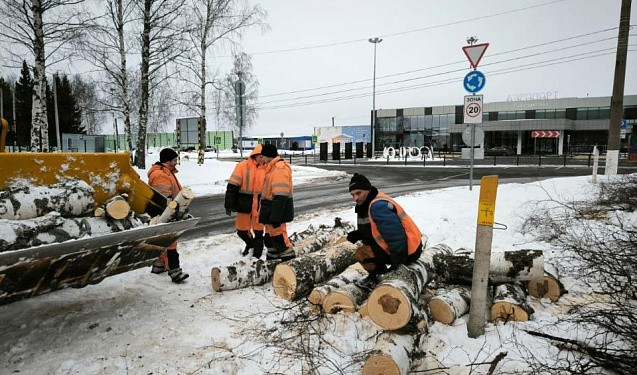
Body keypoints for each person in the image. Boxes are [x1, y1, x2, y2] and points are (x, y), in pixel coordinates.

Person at [346, 173, 423, 290]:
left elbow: (396, 237)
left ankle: (380, 277)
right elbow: (375, 229)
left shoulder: (377, 206)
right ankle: (378, 275)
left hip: (408, 250)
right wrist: (359, 234)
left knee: (362, 253)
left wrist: (397, 266)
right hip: (408, 246)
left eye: (358, 193)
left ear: (367, 190)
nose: (355, 198)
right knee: (367, 247)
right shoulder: (366, 204)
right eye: (353, 195)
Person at [147, 147, 189, 283]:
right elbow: (164, 197)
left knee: (163, 241)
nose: (176, 162)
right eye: (175, 159)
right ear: (168, 161)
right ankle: (175, 271)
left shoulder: (167, 172)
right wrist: (175, 210)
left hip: (167, 210)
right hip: (165, 212)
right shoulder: (160, 175)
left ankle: (159, 265)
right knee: (171, 242)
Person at [224, 144, 266, 258]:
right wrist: (229, 204)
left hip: (260, 205)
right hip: (244, 203)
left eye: (264, 156)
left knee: (258, 232)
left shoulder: (268, 168)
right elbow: (232, 186)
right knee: (242, 231)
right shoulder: (242, 166)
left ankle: (257, 257)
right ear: (255, 155)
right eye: (260, 156)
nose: (262, 159)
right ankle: (250, 245)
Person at [257, 144, 295, 261]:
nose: (261, 159)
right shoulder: (271, 169)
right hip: (271, 212)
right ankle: (272, 265)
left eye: (262, 156)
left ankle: (291, 264)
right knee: (270, 240)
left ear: (268, 156)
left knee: (281, 240)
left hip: (275, 214)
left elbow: (280, 196)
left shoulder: (279, 169)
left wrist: (275, 217)